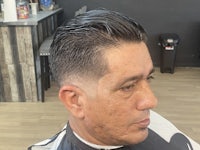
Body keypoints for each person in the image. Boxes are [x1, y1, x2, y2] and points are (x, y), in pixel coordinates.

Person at [28, 9, 200, 150]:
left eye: (149, 78)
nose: (151, 101)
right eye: (128, 87)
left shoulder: (151, 123)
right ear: (75, 101)